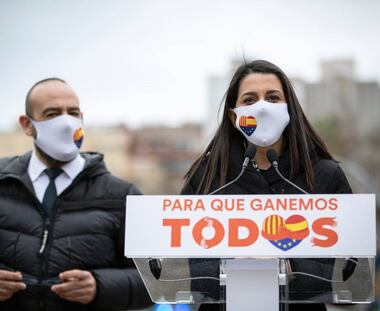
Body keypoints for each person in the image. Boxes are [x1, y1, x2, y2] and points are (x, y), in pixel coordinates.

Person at [181, 60, 352, 310]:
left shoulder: (325, 176)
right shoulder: (207, 178)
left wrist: (288, 266)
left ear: (289, 108)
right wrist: (237, 264)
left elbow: (346, 271)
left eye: (273, 98)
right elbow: (187, 270)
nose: (262, 108)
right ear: (233, 115)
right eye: (249, 100)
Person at [0, 78, 152, 310]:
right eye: (52, 114)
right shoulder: (3, 183)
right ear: (27, 124)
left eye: (72, 113)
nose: (66, 123)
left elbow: (159, 278)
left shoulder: (123, 196)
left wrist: (101, 286)